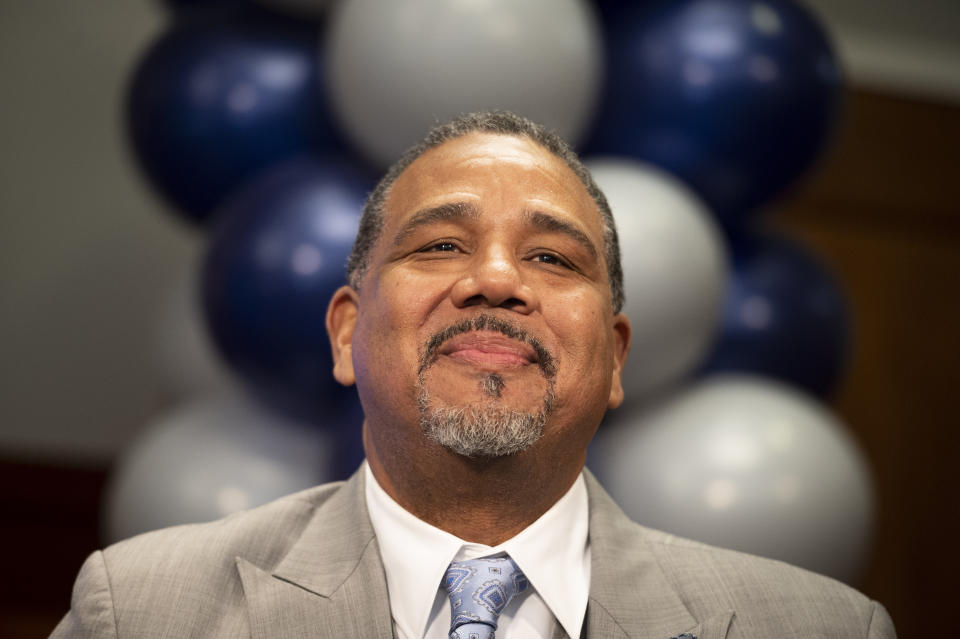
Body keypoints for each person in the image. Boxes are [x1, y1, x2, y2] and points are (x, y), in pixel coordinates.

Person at [52, 111, 895, 639]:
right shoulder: (137, 611)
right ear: (346, 334)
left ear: (615, 358)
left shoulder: (828, 629)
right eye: (441, 244)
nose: (496, 280)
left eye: (551, 257)